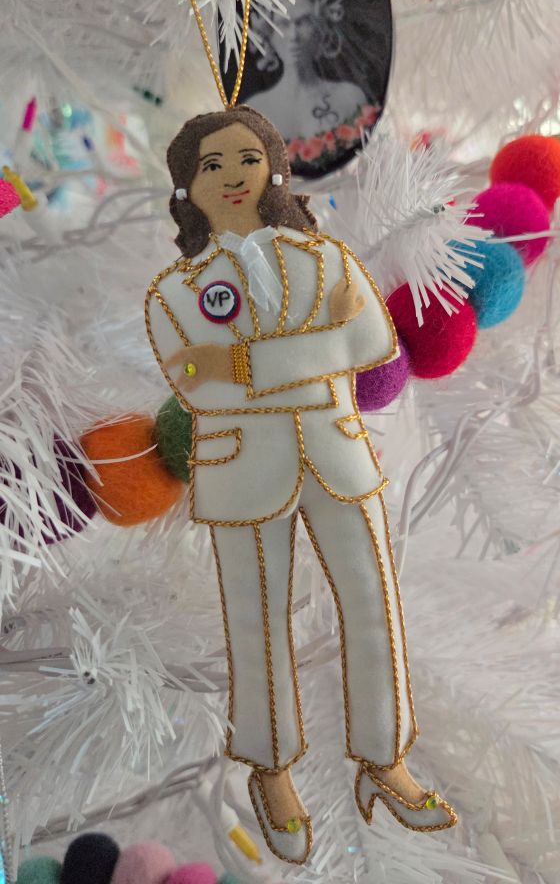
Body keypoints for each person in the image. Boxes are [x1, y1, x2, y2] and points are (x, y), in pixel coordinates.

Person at [145, 106, 457, 864]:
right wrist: (304, 354)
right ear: (187, 187)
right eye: (208, 165)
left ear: (275, 167)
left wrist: (247, 366)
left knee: (372, 604)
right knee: (255, 622)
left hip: (337, 455)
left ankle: (385, 761)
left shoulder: (326, 260)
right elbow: (196, 383)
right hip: (241, 469)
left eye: (243, 158)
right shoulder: (176, 295)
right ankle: (271, 768)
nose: (229, 176)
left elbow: (371, 340)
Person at [246, 0, 370, 143]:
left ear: (320, 30)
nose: (293, 36)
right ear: (268, 34)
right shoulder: (255, 111)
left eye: (303, 23)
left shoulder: (350, 98)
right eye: (283, 24)